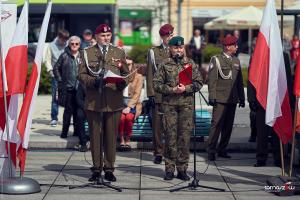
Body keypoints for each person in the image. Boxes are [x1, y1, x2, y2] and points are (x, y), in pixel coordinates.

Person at [78, 24, 130, 183]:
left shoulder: (118, 52)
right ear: (96, 36)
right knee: (95, 137)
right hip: (95, 101)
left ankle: (109, 169)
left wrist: (122, 83)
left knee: (111, 137)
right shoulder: (87, 53)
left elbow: (126, 74)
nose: (106, 38)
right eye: (103, 36)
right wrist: (95, 81)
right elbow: (81, 75)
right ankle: (96, 169)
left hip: (113, 101)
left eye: (108, 35)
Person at [153, 36, 204, 181]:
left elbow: (199, 82)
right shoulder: (164, 64)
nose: (179, 50)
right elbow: (156, 84)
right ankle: (169, 168)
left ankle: (182, 169)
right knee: (170, 138)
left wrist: (186, 88)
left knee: (184, 138)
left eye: (181, 48)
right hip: (169, 106)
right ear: (170, 48)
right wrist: (172, 89)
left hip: (186, 106)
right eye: (176, 47)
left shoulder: (190, 64)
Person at [207, 34, 245, 161]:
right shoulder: (216, 60)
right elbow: (212, 80)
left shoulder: (236, 61)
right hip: (220, 98)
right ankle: (211, 150)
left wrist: (242, 98)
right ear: (228, 47)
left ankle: (222, 149)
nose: (237, 47)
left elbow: (239, 82)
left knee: (228, 126)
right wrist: (212, 96)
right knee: (216, 125)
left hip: (232, 99)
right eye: (235, 45)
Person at [146, 23, 174, 164]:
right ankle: (158, 152)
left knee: (171, 126)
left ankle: (170, 151)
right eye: (168, 36)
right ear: (162, 37)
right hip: (159, 94)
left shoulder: (178, 50)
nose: (170, 38)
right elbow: (150, 74)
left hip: (174, 94)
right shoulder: (154, 52)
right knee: (157, 127)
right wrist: (150, 94)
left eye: (171, 35)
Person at [53, 35, 81, 139]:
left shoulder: (82, 55)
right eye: (72, 44)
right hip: (68, 88)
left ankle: (77, 132)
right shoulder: (64, 55)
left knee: (78, 112)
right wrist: (60, 80)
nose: (74, 45)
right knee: (68, 111)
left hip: (79, 89)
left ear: (79, 45)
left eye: (76, 44)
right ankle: (64, 132)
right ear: (69, 44)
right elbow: (56, 68)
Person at [45, 29, 69, 127]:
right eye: (62, 39)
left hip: (67, 74)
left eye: (65, 40)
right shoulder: (51, 46)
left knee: (69, 96)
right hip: (56, 75)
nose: (63, 42)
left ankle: (68, 116)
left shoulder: (69, 44)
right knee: (55, 97)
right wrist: (50, 71)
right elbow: (47, 59)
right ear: (58, 37)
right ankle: (54, 118)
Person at [119, 58, 143, 151]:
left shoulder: (138, 76)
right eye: (125, 64)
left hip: (133, 103)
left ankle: (128, 139)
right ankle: (121, 140)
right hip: (120, 103)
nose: (127, 66)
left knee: (128, 118)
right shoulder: (119, 75)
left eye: (129, 64)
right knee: (121, 118)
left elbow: (137, 94)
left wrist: (129, 107)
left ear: (132, 65)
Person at [75, 82, 89, 152]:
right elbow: (78, 98)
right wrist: (85, 107)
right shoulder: (82, 83)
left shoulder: (100, 81)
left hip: (96, 108)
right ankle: (83, 142)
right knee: (79, 115)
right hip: (84, 106)